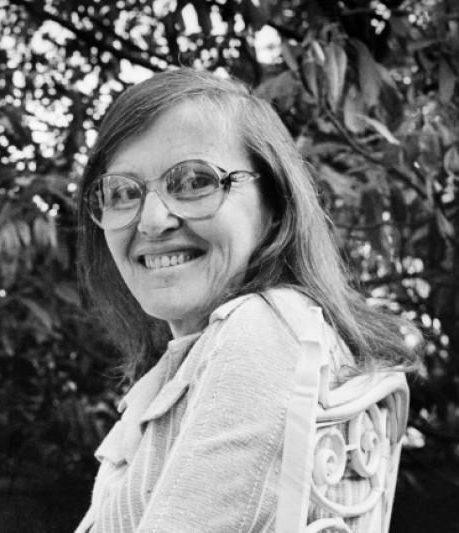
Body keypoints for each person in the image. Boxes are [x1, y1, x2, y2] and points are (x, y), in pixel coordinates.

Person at [73, 68, 419, 532]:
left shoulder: (263, 328)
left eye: (195, 181)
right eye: (121, 192)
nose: (152, 221)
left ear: (274, 204)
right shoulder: (209, 354)